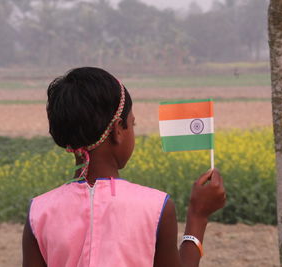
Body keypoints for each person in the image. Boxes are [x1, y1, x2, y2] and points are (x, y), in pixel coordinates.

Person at [22, 67, 226, 267]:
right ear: (118, 130)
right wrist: (198, 217)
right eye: (133, 124)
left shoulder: (39, 212)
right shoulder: (156, 207)